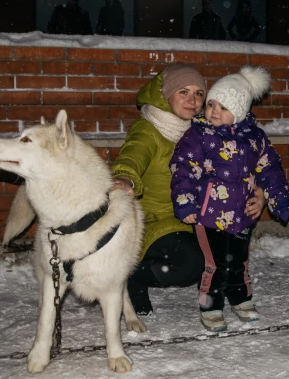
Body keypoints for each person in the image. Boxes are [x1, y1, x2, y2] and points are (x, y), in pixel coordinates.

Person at [111, 63, 265, 316]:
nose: (192, 101)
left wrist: (258, 191)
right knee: (192, 264)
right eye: (183, 92)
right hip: (155, 219)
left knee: (224, 256)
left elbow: (240, 165)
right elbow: (132, 156)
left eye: (199, 93)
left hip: (197, 216)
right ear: (166, 94)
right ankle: (129, 276)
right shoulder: (149, 129)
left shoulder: (207, 130)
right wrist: (125, 178)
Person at [170, 66, 289, 332]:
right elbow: (183, 168)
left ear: (239, 111)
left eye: (224, 107)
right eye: (212, 104)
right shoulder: (199, 135)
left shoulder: (256, 138)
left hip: (244, 214)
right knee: (214, 264)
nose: (214, 111)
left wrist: (280, 200)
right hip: (208, 214)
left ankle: (241, 299)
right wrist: (185, 202)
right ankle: (211, 306)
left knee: (239, 261)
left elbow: (271, 169)